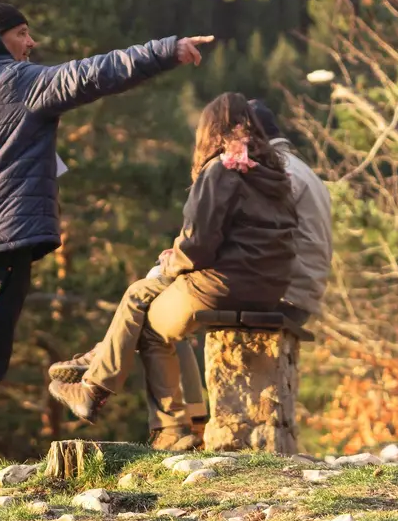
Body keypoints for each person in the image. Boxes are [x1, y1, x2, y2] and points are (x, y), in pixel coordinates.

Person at [0, 0, 211, 472]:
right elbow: (98, 72)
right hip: (1, 241)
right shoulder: (20, 83)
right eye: (23, 34)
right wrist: (168, 48)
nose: (32, 42)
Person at [47, 93, 298, 444]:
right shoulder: (275, 174)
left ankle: (159, 424)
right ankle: (98, 370)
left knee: (144, 314)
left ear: (210, 130)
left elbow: (198, 244)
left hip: (224, 285)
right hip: (269, 286)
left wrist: (173, 260)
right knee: (144, 296)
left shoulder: (221, 169)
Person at [249, 98, 332, 322]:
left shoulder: (277, 172)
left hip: (285, 296)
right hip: (304, 294)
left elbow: (257, 233)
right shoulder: (301, 169)